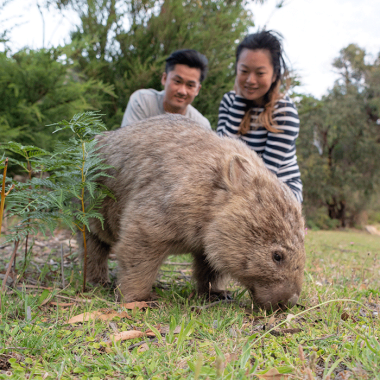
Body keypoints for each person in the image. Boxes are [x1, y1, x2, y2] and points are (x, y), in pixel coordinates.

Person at [217, 30, 303, 202]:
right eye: (244, 71)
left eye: (260, 73)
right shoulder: (229, 101)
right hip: (238, 186)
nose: (250, 80)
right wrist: (239, 99)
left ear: (274, 75)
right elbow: (221, 152)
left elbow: (267, 175)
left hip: (281, 188)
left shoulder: (285, 112)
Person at [121, 49, 211, 130]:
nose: (182, 91)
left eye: (190, 85)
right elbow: (126, 143)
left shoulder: (201, 126)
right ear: (164, 78)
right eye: (177, 81)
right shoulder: (142, 102)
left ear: (197, 90)